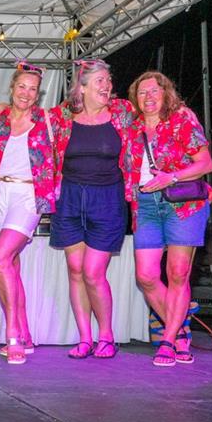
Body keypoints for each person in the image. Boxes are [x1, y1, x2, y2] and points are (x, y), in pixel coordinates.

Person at [49, 59, 135, 360]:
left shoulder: (123, 112)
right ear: (82, 87)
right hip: (71, 197)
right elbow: (31, 114)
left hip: (107, 199)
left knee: (92, 272)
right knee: (75, 271)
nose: (107, 85)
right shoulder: (62, 116)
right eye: (99, 80)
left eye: (108, 80)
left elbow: (155, 110)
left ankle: (107, 336)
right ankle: (85, 338)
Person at [127, 71, 212, 367]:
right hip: (146, 205)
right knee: (147, 276)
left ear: (166, 93)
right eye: (142, 93)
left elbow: (205, 163)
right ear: (135, 99)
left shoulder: (181, 118)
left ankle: (169, 339)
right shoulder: (131, 125)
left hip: (183, 203)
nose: (148, 97)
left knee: (178, 272)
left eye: (154, 91)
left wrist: (171, 176)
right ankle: (180, 330)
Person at [0, 62, 56, 365]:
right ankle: (25, 332)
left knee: (0, 259)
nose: (27, 93)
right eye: (22, 87)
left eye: (33, 89)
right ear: (12, 88)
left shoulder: (46, 119)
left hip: (27, 195)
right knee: (10, 268)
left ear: (38, 94)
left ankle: (13, 334)